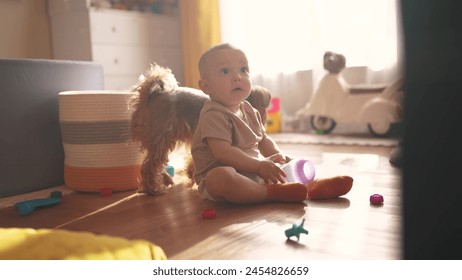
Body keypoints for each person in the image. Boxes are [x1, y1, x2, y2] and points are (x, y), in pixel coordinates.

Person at [191, 43, 353, 204]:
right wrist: (260, 166)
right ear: (206, 86)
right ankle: (271, 192)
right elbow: (223, 153)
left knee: (280, 168)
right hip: (226, 177)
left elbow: (263, 140)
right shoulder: (213, 114)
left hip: (253, 170)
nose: (237, 76)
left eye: (243, 69)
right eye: (225, 71)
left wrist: (281, 158)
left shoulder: (248, 109)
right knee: (220, 177)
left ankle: (313, 186)